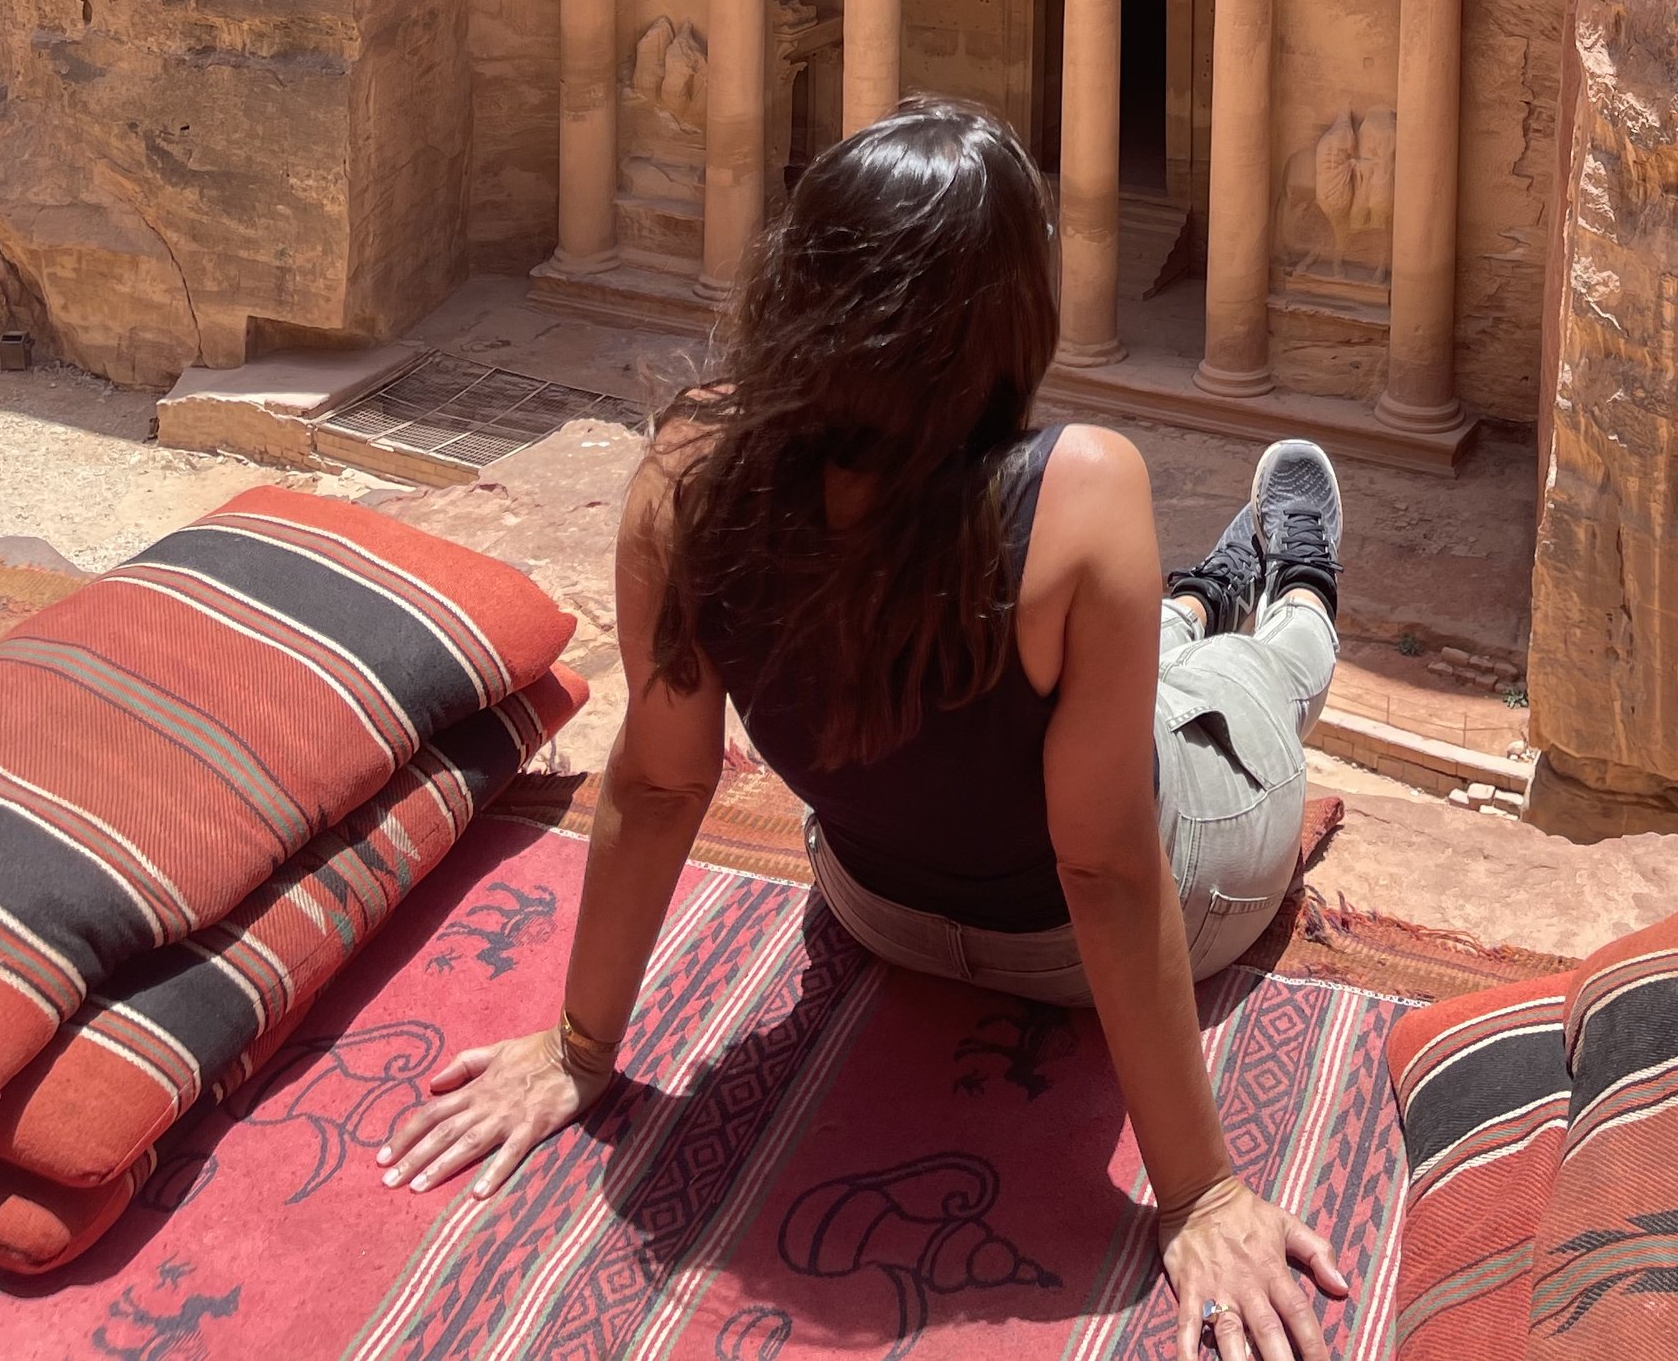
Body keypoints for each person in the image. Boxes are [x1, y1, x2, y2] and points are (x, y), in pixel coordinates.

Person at [375, 101, 1351, 1361]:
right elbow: (1108, 869)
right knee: (1248, 692)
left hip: (868, 904)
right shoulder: (1084, 484)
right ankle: (1295, 596)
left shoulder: (689, 461)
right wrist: (1200, 1193)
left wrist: (581, 1047)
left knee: (1121, 662)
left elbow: (662, 783)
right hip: (1083, 922)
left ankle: (1178, 608)